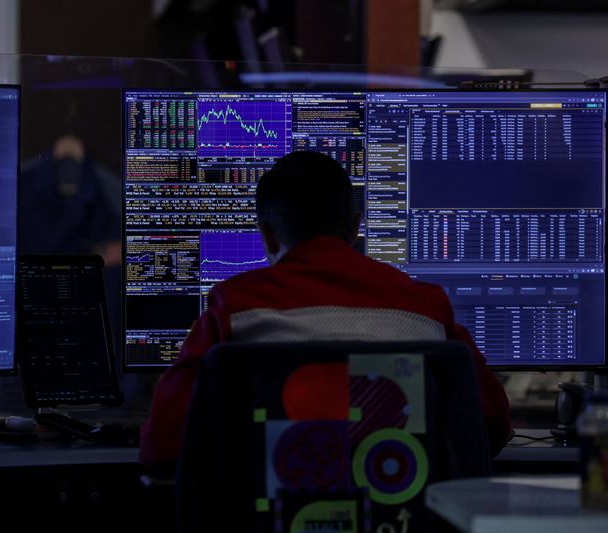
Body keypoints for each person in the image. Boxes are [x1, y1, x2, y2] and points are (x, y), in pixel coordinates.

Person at [140, 151, 511, 468]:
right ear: (354, 227)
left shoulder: (233, 307)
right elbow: (491, 428)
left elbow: (163, 445)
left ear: (267, 235)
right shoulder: (427, 306)